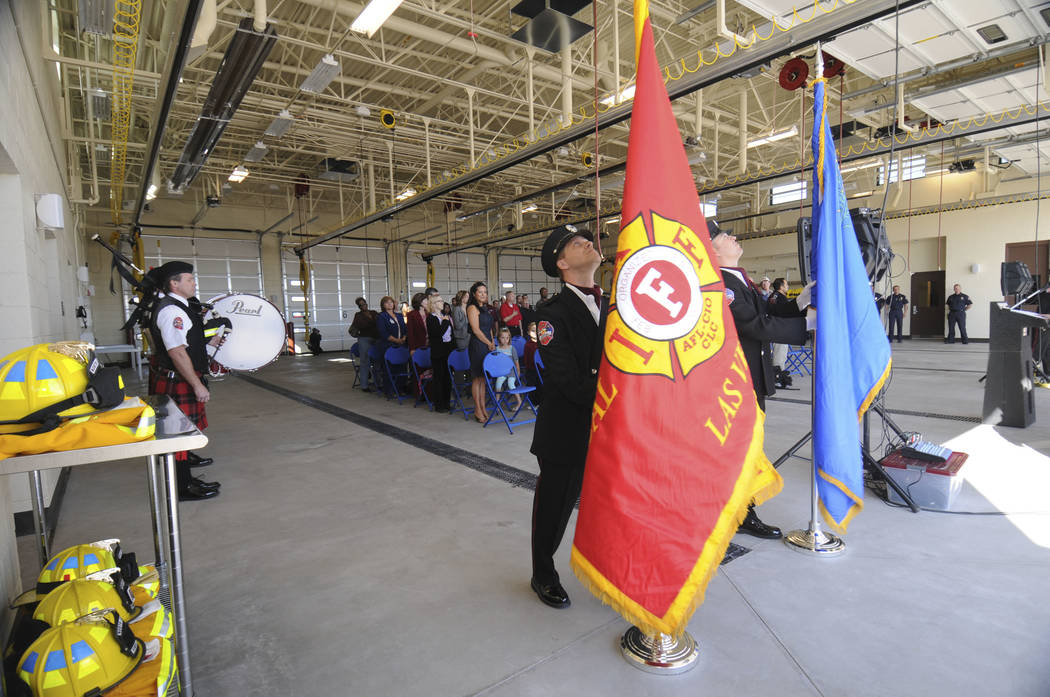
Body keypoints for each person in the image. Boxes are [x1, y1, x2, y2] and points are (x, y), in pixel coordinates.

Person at [709, 221, 811, 539]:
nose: (734, 236)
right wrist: (806, 325)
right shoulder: (719, 285)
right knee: (740, 450)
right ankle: (741, 513)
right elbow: (755, 325)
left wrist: (799, 303)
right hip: (736, 384)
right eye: (726, 236)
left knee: (748, 447)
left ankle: (739, 508)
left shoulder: (741, 280)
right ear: (711, 248)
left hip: (752, 378)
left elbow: (770, 311)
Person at [529, 224, 604, 610]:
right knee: (554, 510)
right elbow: (573, 384)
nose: (590, 243)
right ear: (561, 263)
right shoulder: (549, 317)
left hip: (611, 431)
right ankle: (542, 574)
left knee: (611, 507)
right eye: (579, 243)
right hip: (568, 431)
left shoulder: (615, 306)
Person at [147, 261, 223, 502]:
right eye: (189, 279)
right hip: (177, 379)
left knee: (183, 432)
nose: (194, 283)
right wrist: (197, 384)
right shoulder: (172, 311)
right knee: (178, 435)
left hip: (179, 377)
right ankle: (182, 488)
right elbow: (177, 351)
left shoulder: (181, 306)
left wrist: (207, 343)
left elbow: (187, 340)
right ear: (174, 283)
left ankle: (185, 477)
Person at [466, 281, 496, 423]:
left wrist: (493, 342)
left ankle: (484, 407)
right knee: (477, 378)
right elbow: (476, 330)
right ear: (474, 294)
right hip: (478, 345)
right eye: (480, 292)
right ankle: (477, 409)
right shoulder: (472, 308)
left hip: (488, 344)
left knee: (483, 380)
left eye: (485, 292)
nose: (483, 294)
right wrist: (488, 342)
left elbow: (489, 327)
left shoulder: (486, 308)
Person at [426, 291, 453, 413]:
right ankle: (439, 404)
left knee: (447, 378)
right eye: (440, 301)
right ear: (434, 304)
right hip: (438, 352)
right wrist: (446, 321)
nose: (442, 303)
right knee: (439, 378)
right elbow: (438, 333)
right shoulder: (431, 318)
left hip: (448, 350)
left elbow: (450, 334)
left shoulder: (444, 316)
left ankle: (447, 402)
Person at [350, 297, 379, 391]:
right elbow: (356, 327)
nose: (363, 305)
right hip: (364, 339)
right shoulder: (358, 315)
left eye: (364, 303)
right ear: (359, 306)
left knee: (377, 361)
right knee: (365, 361)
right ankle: (364, 385)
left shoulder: (374, 312)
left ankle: (378, 382)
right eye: (361, 304)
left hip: (376, 338)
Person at [493, 327, 522, 410]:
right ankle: (497, 403)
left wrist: (518, 372)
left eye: (507, 338)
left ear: (509, 338)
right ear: (499, 338)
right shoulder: (497, 349)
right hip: (502, 371)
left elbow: (516, 362)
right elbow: (495, 362)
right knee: (498, 383)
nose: (505, 340)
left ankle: (519, 401)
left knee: (510, 384)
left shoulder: (512, 348)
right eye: (502, 338)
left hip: (512, 371)